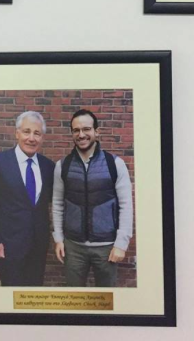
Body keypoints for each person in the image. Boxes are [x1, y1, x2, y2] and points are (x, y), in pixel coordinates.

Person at [52, 109, 133, 287]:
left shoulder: (115, 164)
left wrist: (121, 243)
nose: (81, 135)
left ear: (97, 131)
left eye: (86, 129)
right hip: (73, 248)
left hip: (107, 248)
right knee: (75, 298)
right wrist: (58, 239)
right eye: (76, 130)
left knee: (107, 299)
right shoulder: (62, 166)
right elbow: (57, 204)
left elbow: (126, 205)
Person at [0, 111, 55, 286]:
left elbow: (53, 203)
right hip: (8, 245)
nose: (31, 138)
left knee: (35, 292)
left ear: (42, 138)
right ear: (17, 133)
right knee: (11, 293)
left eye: (37, 133)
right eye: (26, 131)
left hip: (38, 245)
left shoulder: (48, 167)